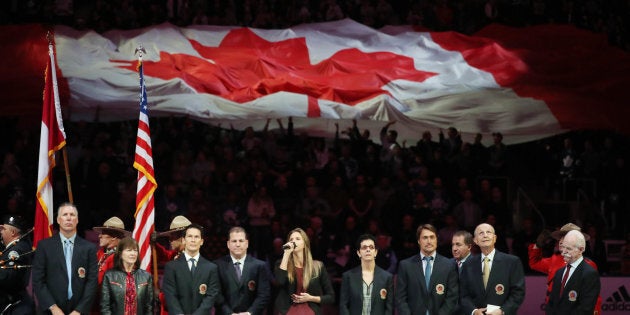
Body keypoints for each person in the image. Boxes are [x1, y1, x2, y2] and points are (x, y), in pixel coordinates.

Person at [32, 202, 98, 315]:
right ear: (58, 220)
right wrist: (53, 307)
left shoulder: (89, 248)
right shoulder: (44, 246)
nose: (68, 218)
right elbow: (38, 280)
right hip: (50, 311)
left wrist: (79, 310)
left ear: (77, 220)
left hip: (79, 311)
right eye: (65, 214)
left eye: (72, 215)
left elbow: (92, 282)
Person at [528, 223, 602, 313]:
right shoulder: (554, 260)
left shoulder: (589, 266)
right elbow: (534, 263)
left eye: (566, 238)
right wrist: (537, 245)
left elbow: (593, 300)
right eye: (561, 238)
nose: (561, 241)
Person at [460, 223, 525, 315]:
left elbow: (518, 292)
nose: (485, 235)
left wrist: (502, 311)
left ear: (494, 238)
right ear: (475, 240)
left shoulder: (512, 262)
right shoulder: (468, 264)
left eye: (488, 232)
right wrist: (474, 311)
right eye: (481, 233)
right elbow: (463, 294)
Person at [396, 224, 458, 315]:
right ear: (418, 241)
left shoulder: (449, 265)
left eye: (432, 237)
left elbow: (452, 297)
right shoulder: (405, 266)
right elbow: (400, 298)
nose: (429, 241)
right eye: (425, 238)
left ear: (437, 239)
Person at [274, 227, 335, 315]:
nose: (293, 241)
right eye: (291, 239)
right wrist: (286, 254)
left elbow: (331, 297)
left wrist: (310, 298)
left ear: (305, 243)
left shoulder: (318, 266)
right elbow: (280, 281)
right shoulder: (282, 263)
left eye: (297, 239)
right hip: (288, 311)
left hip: (310, 311)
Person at [162, 223, 219, 314]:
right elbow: (170, 295)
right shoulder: (171, 267)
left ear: (202, 241)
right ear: (184, 240)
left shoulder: (211, 268)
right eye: (190, 236)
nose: (193, 240)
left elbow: (211, 296)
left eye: (196, 237)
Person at [214, 226, 271, 315]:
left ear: (247, 243)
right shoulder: (217, 265)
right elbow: (216, 294)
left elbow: (264, 295)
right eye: (234, 241)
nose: (237, 244)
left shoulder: (259, 266)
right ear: (228, 244)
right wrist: (229, 313)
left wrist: (249, 313)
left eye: (241, 241)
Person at [546, 230, 600, 314]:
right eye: (563, 247)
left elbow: (586, 308)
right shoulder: (559, 273)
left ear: (581, 249)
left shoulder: (590, 273)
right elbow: (551, 303)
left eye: (569, 248)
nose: (564, 251)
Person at [339, 234, 394, 315]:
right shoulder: (348, 277)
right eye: (364, 247)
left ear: (375, 252)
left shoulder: (387, 277)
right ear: (358, 253)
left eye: (371, 247)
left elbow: (389, 308)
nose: (368, 250)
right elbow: (343, 306)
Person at [100, 237, 154, 315]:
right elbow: (105, 307)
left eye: (135, 250)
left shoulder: (146, 277)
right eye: (129, 250)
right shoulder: (109, 276)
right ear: (120, 253)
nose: (133, 253)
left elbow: (149, 307)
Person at [0, 215, 34, 314]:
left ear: (13, 232)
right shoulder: (16, 247)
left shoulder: (17, 250)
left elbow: (8, 276)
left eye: (3, 229)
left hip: (15, 306)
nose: (1, 232)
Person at [93, 216, 131, 284]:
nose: (99, 236)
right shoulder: (100, 253)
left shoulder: (120, 257)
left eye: (103, 233)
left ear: (114, 237)